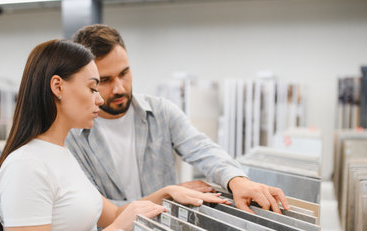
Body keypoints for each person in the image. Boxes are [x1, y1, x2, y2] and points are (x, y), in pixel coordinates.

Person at [0, 39, 228, 231]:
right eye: (92, 88)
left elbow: (113, 214)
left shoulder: (61, 154)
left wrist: (168, 193)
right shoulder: (26, 167)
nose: (100, 99)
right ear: (58, 87)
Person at [66, 24, 289, 214]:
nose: (119, 88)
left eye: (124, 73)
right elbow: (97, 212)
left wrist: (237, 180)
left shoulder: (160, 111)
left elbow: (202, 148)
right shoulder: (72, 137)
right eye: (105, 80)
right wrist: (168, 195)